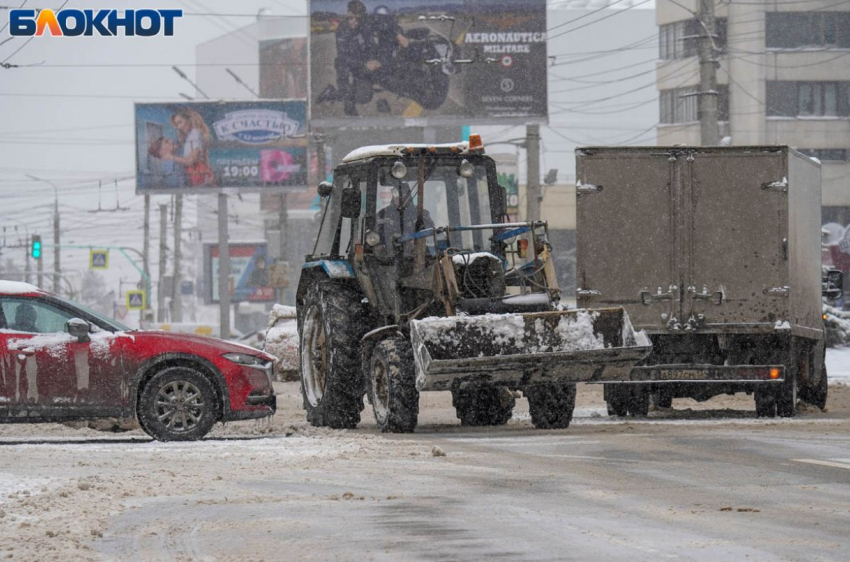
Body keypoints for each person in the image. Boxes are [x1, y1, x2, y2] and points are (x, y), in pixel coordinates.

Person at [317, 1, 409, 116]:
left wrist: (398, 34)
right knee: (360, 93)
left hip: (367, 63)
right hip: (354, 66)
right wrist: (365, 64)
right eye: (351, 18)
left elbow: (386, 21)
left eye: (358, 19)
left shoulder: (365, 22)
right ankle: (335, 95)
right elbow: (344, 57)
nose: (355, 22)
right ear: (347, 13)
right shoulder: (342, 31)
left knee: (371, 92)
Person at [162, 108, 215, 187]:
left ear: (189, 120)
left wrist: (171, 157)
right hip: (200, 175)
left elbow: (190, 161)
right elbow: (204, 157)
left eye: (180, 122)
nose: (179, 127)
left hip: (199, 175)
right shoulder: (191, 135)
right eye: (177, 125)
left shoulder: (195, 134)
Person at [375, 182, 434, 250]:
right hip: (386, 255)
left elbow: (430, 234)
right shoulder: (382, 214)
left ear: (408, 197)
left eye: (403, 196)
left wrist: (416, 241)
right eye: (396, 195)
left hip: (415, 254)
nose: (398, 199)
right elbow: (374, 236)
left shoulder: (422, 214)